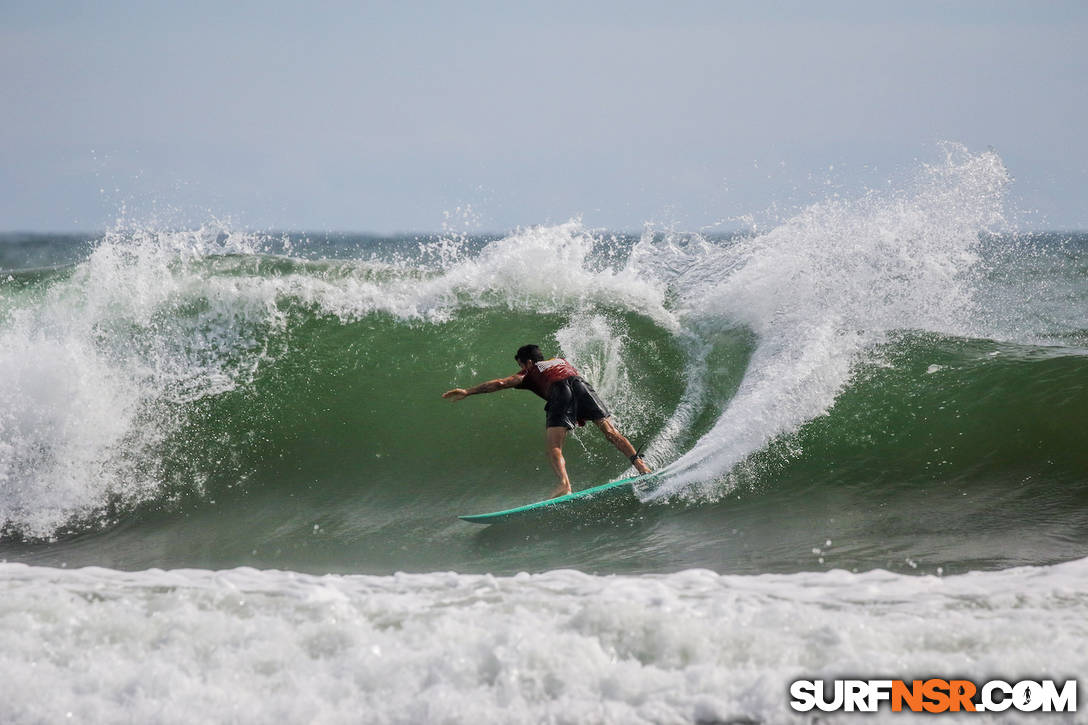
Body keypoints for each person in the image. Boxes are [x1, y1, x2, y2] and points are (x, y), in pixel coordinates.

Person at [442, 344, 652, 498]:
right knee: (611, 432)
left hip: (560, 391)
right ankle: (642, 467)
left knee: (554, 448)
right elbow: (566, 377)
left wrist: (468, 391)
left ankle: (564, 485)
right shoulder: (560, 360)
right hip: (581, 385)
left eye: (521, 364)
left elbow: (499, 383)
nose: (521, 368)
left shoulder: (529, 372)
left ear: (528, 362)